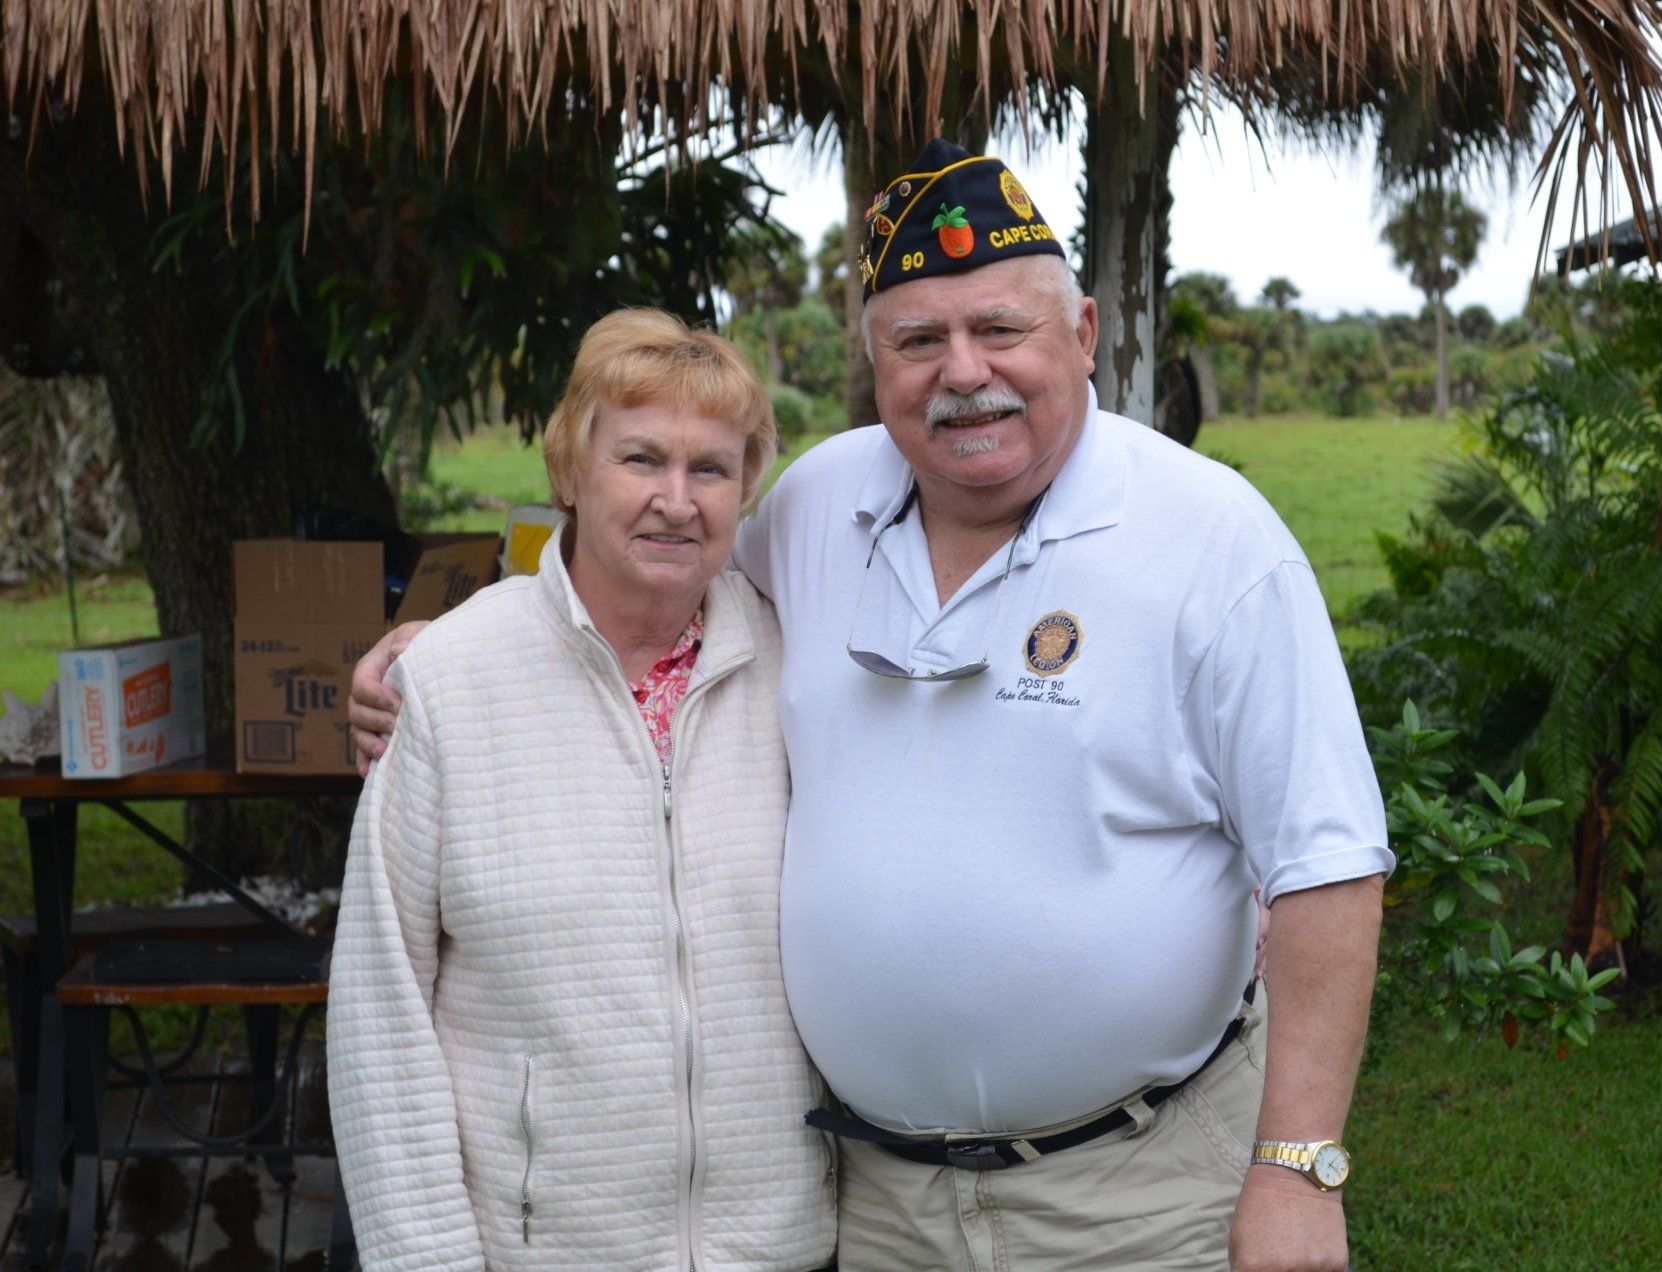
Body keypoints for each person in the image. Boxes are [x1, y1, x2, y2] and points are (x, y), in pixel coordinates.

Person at [354, 140, 1391, 1271]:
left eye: (1000, 328)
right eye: (918, 340)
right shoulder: (818, 503)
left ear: (1083, 333)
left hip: (1139, 1195)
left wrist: (1299, 1170)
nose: (964, 372)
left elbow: (1328, 863)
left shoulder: (1211, 538)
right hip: (878, 1209)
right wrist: (454, 650)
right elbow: (645, 572)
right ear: (874, 358)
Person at [327, 309, 836, 1271]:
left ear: (746, 492)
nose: (676, 501)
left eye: (711, 469)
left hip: (780, 1245)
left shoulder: (802, 665)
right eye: (640, 460)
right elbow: (379, 1013)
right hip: (543, 1247)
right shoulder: (451, 680)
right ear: (570, 471)